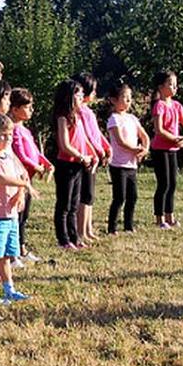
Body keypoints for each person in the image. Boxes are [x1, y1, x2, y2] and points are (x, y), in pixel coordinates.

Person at [0, 112, 35, 305]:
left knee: (7, 256)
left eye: (10, 135)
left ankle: (9, 288)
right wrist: (24, 184)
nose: (7, 139)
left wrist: (20, 191)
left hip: (11, 215)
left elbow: (20, 175)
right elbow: (1, 179)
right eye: (2, 135)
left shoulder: (8, 156)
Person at [52, 79, 98, 250]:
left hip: (78, 164)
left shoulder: (78, 117)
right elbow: (65, 145)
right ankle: (63, 239)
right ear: (68, 97)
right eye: (78, 95)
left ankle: (75, 237)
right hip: (66, 165)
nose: (81, 98)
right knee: (64, 205)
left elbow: (84, 139)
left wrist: (92, 154)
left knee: (74, 204)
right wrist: (80, 156)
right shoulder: (62, 118)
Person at [9, 88, 52, 264]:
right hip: (18, 179)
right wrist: (37, 167)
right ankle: (12, 253)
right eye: (27, 107)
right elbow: (20, 155)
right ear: (15, 109)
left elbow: (34, 151)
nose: (31, 110)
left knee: (24, 216)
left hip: (28, 179)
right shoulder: (13, 130)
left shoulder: (25, 130)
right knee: (17, 217)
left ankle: (22, 248)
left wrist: (46, 163)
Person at [149, 70, 183, 229]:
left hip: (173, 149)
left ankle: (170, 216)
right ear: (161, 87)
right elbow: (159, 130)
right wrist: (174, 138)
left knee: (172, 183)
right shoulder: (159, 106)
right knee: (163, 184)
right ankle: (159, 219)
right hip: (160, 149)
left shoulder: (177, 106)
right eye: (171, 84)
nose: (175, 87)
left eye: (175, 85)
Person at [106, 80, 150, 234]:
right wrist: (135, 149)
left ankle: (128, 225)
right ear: (114, 100)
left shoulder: (132, 118)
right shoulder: (114, 119)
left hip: (132, 165)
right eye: (125, 97)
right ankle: (112, 227)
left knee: (133, 196)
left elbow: (144, 135)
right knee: (119, 197)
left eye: (130, 97)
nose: (128, 100)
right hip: (118, 165)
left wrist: (145, 148)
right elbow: (120, 141)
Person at [73, 73, 111, 245]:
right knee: (84, 196)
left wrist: (106, 147)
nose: (95, 94)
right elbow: (87, 136)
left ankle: (88, 229)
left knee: (90, 195)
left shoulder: (88, 111)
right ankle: (81, 231)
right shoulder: (80, 112)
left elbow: (96, 133)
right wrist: (96, 151)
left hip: (95, 157)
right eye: (93, 90)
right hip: (87, 157)